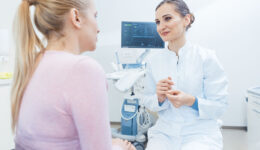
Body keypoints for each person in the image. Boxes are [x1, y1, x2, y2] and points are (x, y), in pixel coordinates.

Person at [11, 0, 136, 150]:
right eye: (95, 16)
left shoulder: (33, 63)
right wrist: (120, 147)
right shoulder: (84, 69)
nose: (98, 28)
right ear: (76, 17)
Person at [142, 0, 228, 150]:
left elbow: (219, 106)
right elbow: (147, 100)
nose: (161, 26)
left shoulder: (206, 57)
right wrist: (159, 98)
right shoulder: (153, 61)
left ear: (186, 20)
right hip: (165, 133)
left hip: (200, 132)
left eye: (167, 18)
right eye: (157, 22)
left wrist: (191, 100)